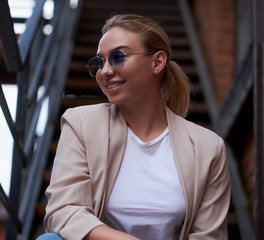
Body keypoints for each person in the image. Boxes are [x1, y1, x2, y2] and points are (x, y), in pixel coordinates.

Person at [38, 14, 231, 240]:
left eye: (118, 57)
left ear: (157, 62)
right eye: (100, 62)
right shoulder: (81, 124)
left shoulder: (207, 146)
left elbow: (209, 235)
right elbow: (64, 210)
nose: (105, 71)